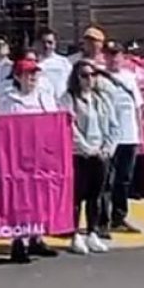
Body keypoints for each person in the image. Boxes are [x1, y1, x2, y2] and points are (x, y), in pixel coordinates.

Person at [0, 56, 59, 262]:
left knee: (40, 197)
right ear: (18, 77)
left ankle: (36, 237)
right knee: (21, 200)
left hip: (41, 156)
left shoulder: (44, 97)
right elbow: (2, 128)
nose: (32, 78)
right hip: (18, 157)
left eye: (34, 74)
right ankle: (19, 241)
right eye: (28, 74)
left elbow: (53, 123)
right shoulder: (9, 100)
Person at [59, 61, 116, 256]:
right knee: (77, 196)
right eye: (84, 75)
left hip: (101, 154)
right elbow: (69, 127)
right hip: (79, 154)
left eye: (92, 75)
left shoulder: (101, 99)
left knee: (96, 195)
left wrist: (107, 148)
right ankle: (75, 234)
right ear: (76, 78)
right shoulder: (68, 99)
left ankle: (93, 232)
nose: (89, 79)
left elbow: (113, 126)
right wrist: (87, 148)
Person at [103, 41, 144, 233]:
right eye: (110, 54)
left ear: (122, 57)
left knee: (124, 179)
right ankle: (102, 221)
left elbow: (138, 107)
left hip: (129, 135)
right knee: (106, 180)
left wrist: (140, 135)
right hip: (109, 137)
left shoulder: (129, 77)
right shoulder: (100, 77)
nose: (113, 58)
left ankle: (119, 217)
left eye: (116, 54)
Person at [35, 28, 73, 99]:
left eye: (50, 42)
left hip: (61, 101)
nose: (46, 46)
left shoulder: (64, 62)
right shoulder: (33, 62)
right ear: (37, 43)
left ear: (55, 44)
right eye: (43, 42)